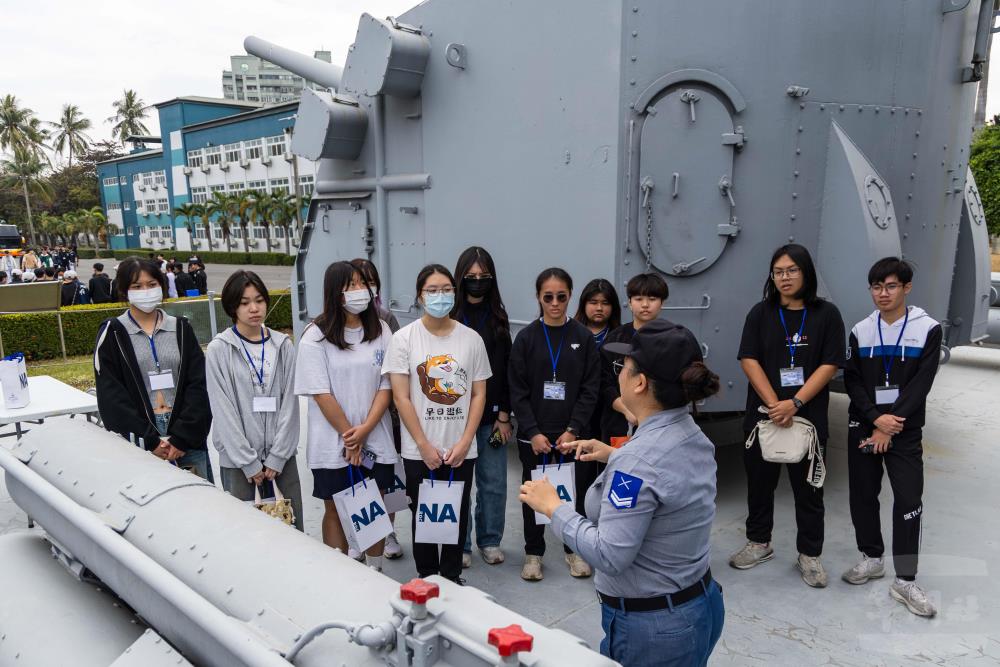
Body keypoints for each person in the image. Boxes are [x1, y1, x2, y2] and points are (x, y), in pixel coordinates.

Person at [520, 320, 725, 667]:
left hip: (653, 630)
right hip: (698, 605)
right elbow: (665, 483)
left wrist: (554, 508)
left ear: (640, 383)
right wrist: (612, 454)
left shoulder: (637, 462)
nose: (619, 374)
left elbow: (610, 555)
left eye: (624, 368)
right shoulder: (691, 433)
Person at [730, 244, 845, 587]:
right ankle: (759, 542)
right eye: (778, 271)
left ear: (806, 272)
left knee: (809, 489)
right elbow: (748, 358)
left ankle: (810, 554)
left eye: (792, 270)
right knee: (760, 485)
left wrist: (794, 402)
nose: (784, 277)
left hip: (807, 418)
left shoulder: (826, 314)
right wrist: (773, 404)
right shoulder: (760, 313)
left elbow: (831, 363)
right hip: (765, 417)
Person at [843, 257, 941, 617]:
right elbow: (852, 380)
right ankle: (871, 557)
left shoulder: (927, 328)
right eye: (876, 287)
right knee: (863, 495)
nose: (883, 294)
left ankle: (905, 579)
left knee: (908, 498)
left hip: (904, 428)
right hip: (866, 424)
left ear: (906, 287)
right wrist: (874, 419)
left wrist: (889, 424)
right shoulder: (860, 330)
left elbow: (922, 382)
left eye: (890, 286)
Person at [382, 264, 491, 584]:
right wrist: (424, 446)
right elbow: (401, 398)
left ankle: (453, 573)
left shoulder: (471, 340)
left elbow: (478, 394)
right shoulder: (404, 339)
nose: (440, 296)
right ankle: (427, 575)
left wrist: (464, 443)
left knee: (456, 513)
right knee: (424, 513)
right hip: (420, 449)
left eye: (446, 289)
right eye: (432, 290)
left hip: (461, 447)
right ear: (420, 295)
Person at [294, 261, 398, 570]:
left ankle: (375, 568)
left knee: (373, 506)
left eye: (361, 284)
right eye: (350, 285)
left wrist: (365, 430)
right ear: (334, 291)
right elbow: (320, 392)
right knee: (335, 509)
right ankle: (340, 572)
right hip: (331, 444)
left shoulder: (382, 330)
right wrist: (350, 437)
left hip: (375, 438)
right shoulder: (315, 336)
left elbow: (387, 382)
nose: (359, 291)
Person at [508, 267, 600, 581]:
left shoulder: (583, 338)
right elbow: (517, 390)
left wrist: (573, 429)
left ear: (570, 296)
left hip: (571, 436)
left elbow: (591, 388)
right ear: (539, 298)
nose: (555, 303)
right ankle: (534, 554)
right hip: (536, 438)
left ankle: (574, 551)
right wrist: (532, 432)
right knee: (533, 495)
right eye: (548, 297)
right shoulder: (526, 338)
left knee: (574, 495)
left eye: (561, 296)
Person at [93, 257, 213, 481]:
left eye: (151, 284)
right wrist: (149, 442)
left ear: (162, 285)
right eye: (137, 286)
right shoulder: (113, 333)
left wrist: (181, 438)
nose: (145, 291)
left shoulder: (180, 328)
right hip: (140, 444)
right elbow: (112, 396)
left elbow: (198, 385)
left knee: (198, 508)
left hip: (187, 440)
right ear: (124, 290)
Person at [207, 270, 304, 531]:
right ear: (232, 306)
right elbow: (223, 409)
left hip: (281, 461)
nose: (253, 308)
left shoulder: (283, 345)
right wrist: (248, 462)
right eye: (244, 302)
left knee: (291, 530)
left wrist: (277, 456)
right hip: (239, 465)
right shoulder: (219, 349)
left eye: (259, 300)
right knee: (245, 534)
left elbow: (290, 405)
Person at [452, 246, 513, 568]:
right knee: (459, 483)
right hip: (455, 420)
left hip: (492, 420)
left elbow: (507, 371)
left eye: (483, 277)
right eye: (471, 277)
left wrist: (504, 415)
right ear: (460, 278)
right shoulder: (449, 318)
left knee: (493, 483)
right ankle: (460, 543)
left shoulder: (498, 318)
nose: (477, 282)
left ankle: (489, 540)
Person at [351, 257, 405, 559]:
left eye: (370, 281)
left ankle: (389, 532)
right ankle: (361, 535)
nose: (365, 288)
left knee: (392, 479)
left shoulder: (386, 318)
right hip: (357, 419)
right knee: (360, 481)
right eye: (358, 282)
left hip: (389, 417)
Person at [601, 273, 669, 444]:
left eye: (652, 298)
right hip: (617, 422)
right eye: (638, 299)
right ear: (630, 303)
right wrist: (626, 411)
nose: (645, 305)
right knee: (616, 466)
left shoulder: (673, 339)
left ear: (662, 303)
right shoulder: (615, 339)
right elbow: (603, 381)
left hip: (659, 424)